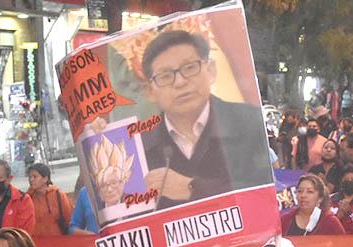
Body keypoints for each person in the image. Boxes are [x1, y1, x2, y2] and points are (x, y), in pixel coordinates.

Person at [113, 30, 272, 208]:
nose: (180, 82)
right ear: (150, 91)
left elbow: (265, 199)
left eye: (189, 67)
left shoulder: (249, 122)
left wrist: (192, 189)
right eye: (165, 76)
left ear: (211, 70)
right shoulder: (138, 148)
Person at [281, 174, 345, 235]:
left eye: (310, 192)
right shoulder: (285, 219)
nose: (303, 195)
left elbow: (343, 244)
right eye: (300, 191)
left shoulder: (330, 221)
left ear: (320, 198)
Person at [26, 163, 74, 236]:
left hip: (58, 242)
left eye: (34, 176)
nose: (31, 180)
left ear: (45, 179)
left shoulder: (58, 195)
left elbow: (70, 220)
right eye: (29, 177)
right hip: (36, 243)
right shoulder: (27, 198)